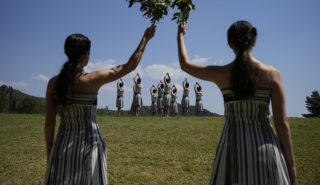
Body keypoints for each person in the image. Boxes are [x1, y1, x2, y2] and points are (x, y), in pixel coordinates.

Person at [177, 20, 296, 185]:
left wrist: (180, 35)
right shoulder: (272, 74)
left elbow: (185, 65)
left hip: (231, 150)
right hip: (267, 150)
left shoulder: (220, 73)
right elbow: (282, 122)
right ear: (254, 40)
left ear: (230, 43)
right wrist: (291, 166)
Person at [44, 25, 156, 184]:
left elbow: (49, 124)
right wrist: (145, 38)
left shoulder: (52, 84)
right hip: (91, 148)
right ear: (86, 54)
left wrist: (50, 154)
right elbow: (130, 65)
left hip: (62, 147)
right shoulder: (93, 79)